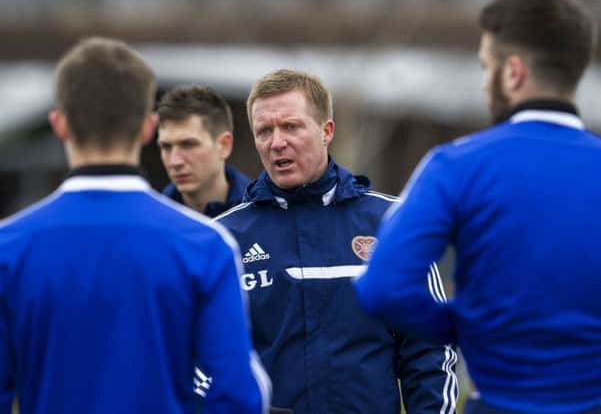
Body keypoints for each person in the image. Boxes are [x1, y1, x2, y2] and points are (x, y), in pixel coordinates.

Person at [355, 0, 601, 413]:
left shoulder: (455, 166)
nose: (486, 82)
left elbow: (383, 287)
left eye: (486, 67)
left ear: (514, 72)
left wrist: (460, 325)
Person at [0, 37, 270, 414]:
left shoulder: (9, 249)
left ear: (59, 124)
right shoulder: (205, 245)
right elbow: (238, 394)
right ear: (148, 128)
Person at [216, 69, 457, 414]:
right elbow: (203, 360)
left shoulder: (392, 224)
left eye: (291, 126)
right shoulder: (224, 238)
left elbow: (429, 350)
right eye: (264, 131)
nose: (276, 142)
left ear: (326, 131)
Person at [157, 85, 251, 217]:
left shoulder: (262, 215)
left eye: (188, 144)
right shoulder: (152, 219)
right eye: (166, 147)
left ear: (224, 145)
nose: (174, 162)